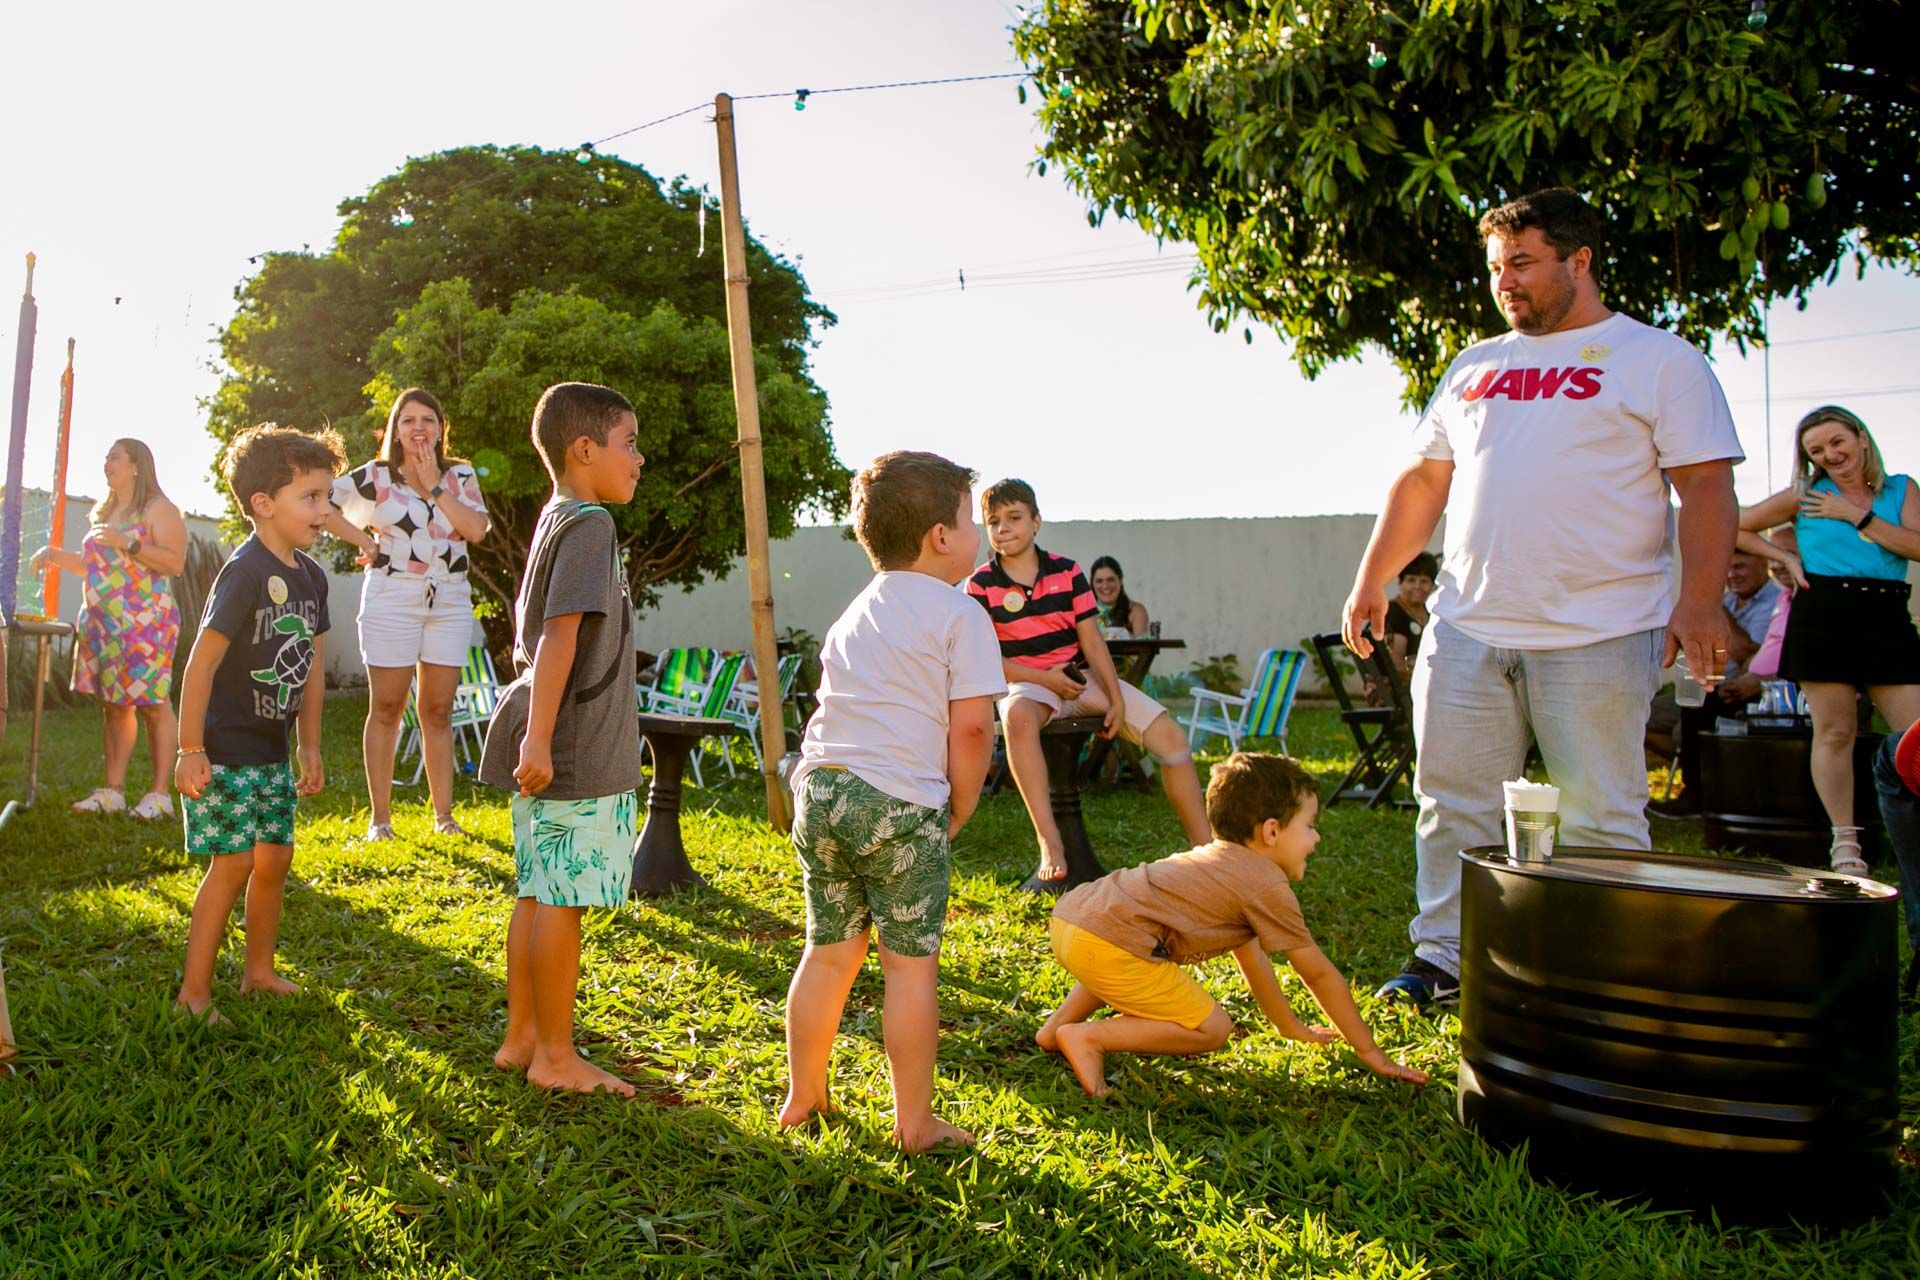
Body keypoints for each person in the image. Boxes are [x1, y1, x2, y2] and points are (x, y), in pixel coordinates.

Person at [1341, 188, 1742, 1009]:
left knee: (1599, 816)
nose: (1506, 282)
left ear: (1580, 259)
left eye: (1522, 263)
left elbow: (1704, 485)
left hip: (1600, 631)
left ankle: (1604, 966)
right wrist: (1372, 576)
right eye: (1495, 268)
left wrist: (1699, 600)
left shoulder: (1658, 360)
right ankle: (1446, 957)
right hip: (1468, 629)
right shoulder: (1475, 364)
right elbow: (1424, 480)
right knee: (1452, 805)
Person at [779, 451, 1002, 1151]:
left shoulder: (856, 612)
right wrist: (960, 804)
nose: (980, 533)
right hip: (898, 806)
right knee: (909, 968)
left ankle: (803, 1093)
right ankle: (914, 1123)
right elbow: (971, 726)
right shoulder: (960, 614)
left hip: (820, 792)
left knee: (827, 952)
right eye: (973, 519)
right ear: (942, 535)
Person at [1036, 753, 1428, 1096]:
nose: (1317, 837)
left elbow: (1253, 959)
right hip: (1107, 941)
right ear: (1272, 831)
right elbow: (1320, 975)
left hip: (1074, 918)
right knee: (1212, 1028)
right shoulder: (1265, 885)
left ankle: (1055, 1030)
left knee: (1126, 961)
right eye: (1309, 826)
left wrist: (1288, 1025)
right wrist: (1370, 1052)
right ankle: (1088, 1036)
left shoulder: (1217, 862)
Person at [478, 383, 645, 1096]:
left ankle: (522, 1039)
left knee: (538, 891)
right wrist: (541, 740)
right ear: (585, 450)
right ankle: (556, 1056)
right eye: (629, 444)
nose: (639, 459)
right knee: (562, 899)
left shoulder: (556, 519)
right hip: (573, 743)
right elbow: (560, 633)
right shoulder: (590, 526)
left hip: (556, 737)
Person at [172, 425, 342, 1025]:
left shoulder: (312, 577)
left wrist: (311, 745)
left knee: (276, 858)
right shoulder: (243, 573)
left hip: (271, 749)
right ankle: (193, 997)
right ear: (264, 505)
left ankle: (259, 972)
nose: (326, 511)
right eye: (312, 497)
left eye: (328, 496)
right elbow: (202, 661)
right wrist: (189, 747)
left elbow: (314, 672)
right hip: (224, 748)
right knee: (235, 862)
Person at [968, 480, 1210, 884]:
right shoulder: (980, 585)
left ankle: (1206, 851)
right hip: (1028, 683)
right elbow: (989, 659)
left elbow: (1093, 642)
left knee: (1173, 741)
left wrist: (1114, 699)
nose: (1003, 528)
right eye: (993, 521)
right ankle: (1050, 840)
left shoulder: (1068, 571)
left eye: (1014, 518)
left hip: (1080, 678)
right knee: (1017, 720)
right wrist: (1043, 678)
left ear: (1036, 522)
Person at [1737, 405, 1920, 876]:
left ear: (1861, 438)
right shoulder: (1804, 495)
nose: (1830, 455)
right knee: (1835, 731)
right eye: (1816, 450)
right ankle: (1846, 845)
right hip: (1823, 614)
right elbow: (1735, 524)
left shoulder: (1901, 488)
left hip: (1886, 614)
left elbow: (1917, 546)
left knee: (1912, 739)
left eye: (1837, 442)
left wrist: (1855, 514)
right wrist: (1782, 557)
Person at [324, 388, 491, 841]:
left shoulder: (459, 475)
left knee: (437, 710)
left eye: (428, 420)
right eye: (408, 420)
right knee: (387, 708)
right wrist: (364, 542)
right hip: (392, 598)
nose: (419, 427)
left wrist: (434, 482)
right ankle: (380, 820)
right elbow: (323, 507)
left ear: (440, 428)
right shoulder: (379, 478)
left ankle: (444, 817)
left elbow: (476, 529)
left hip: (450, 600)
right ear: (396, 430)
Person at [30, 439, 187, 819]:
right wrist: (54, 557)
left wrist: (129, 542)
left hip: (146, 623)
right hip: (105, 626)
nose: (106, 462)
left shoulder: (157, 508)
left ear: (136, 465)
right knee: (114, 706)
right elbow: (96, 565)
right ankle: (113, 792)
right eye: (105, 457)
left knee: (153, 704)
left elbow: (174, 562)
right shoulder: (106, 511)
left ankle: (159, 796)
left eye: (114, 456)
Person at [1645, 545, 1787, 816]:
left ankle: (1699, 784)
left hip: (1747, 692)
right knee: (1638, 715)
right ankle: (1703, 770)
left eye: (1740, 567)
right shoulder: (1729, 600)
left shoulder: (1775, 603)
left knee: (1689, 726)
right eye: (1728, 568)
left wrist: (1715, 610)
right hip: (1708, 685)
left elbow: (1749, 654)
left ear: (1763, 564)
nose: (1732, 575)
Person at [1382, 552, 1437, 673]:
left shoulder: (1431, 614)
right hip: (1398, 687)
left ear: (1433, 586)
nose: (1417, 586)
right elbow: (1397, 664)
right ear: (1400, 583)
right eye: (1411, 580)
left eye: (1424, 581)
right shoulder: (1392, 613)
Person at [1089, 555, 1150, 637]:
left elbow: (1143, 648)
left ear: (1121, 580)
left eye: (1110, 580)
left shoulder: (1135, 611)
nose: (1105, 586)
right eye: (1099, 581)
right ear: (1092, 582)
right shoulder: (1084, 613)